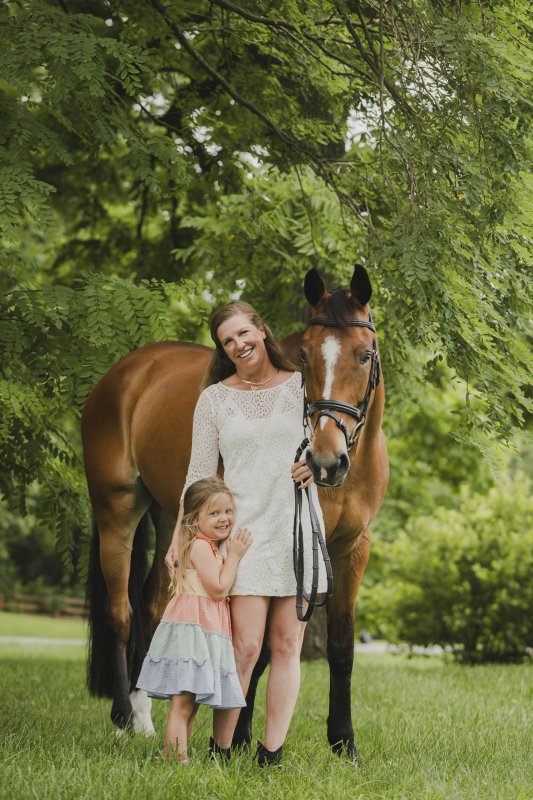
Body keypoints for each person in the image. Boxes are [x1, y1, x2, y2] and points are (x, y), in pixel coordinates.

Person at [165, 301, 327, 766]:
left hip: (295, 526)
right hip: (242, 537)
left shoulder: (301, 385)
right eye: (227, 341)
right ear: (223, 349)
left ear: (261, 328)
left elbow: (330, 443)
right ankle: (220, 750)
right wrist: (181, 537)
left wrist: (313, 466)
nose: (238, 345)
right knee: (245, 647)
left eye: (243, 333)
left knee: (287, 645)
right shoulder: (214, 398)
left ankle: (270, 754)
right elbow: (198, 474)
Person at [137, 477, 252, 763]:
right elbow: (217, 588)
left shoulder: (208, 546)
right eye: (213, 513)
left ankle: (177, 755)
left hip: (205, 629)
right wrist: (235, 556)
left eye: (227, 511)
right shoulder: (200, 546)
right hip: (194, 629)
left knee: (190, 703)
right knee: (183, 702)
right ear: (194, 519)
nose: (224, 518)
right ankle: (176, 760)